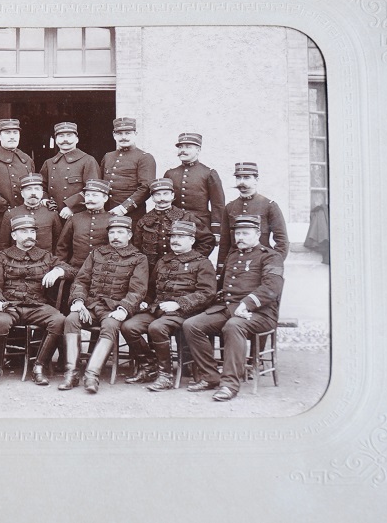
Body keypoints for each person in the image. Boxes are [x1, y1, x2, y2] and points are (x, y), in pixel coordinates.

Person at [184, 214, 284, 401]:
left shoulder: (271, 256)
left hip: (261, 313)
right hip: (230, 308)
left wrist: (247, 303)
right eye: (238, 233)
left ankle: (230, 385)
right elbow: (223, 287)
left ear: (258, 234)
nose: (240, 238)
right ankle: (211, 376)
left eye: (245, 233)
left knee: (234, 326)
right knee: (192, 325)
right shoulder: (233, 255)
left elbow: (272, 287)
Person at [120, 220, 216, 391]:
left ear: (192, 240)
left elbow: (207, 294)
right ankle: (149, 366)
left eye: (181, 237)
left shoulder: (202, 263)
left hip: (186, 313)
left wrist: (178, 304)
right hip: (158, 310)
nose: (175, 240)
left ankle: (165, 376)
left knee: (157, 328)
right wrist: (145, 301)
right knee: (129, 326)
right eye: (173, 237)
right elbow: (150, 287)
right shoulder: (163, 260)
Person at [0, 215, 76, 387]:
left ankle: (39, 367)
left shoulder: (45, 256)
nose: (29, 236)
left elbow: (71, 270)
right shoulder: (2, 257)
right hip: (10, 306)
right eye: (24, 232)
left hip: (37, 306)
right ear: (14, 236)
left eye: (32, 231)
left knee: (58, 320)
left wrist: (58, 271)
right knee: (0, 322)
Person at [60, 216, 149, 394]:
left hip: (115, 309)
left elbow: (138, 290)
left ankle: (92, 375)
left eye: (120, 232)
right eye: (112, 232)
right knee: (71, 319)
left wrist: (124, 309)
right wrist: (78, 301)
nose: (115, 236)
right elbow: (81, 280)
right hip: (91, 306)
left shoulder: (138, 258)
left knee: (109, 325)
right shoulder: (96, 253)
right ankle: (71, 373)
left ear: (129, 235)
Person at [216, 162, 289, 280]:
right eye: (238, 177)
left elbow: (282, 241)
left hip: (260, 264)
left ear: (256, 180)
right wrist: (221, 268)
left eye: (246, 177)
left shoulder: (269, 206)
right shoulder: (230, 207)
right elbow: (224, 243)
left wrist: (272, 263)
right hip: (234, 264)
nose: (241, 182)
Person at [133, 178, 215, 269]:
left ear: (172, 195)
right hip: (152, 272)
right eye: (157, 195)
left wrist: (192, 260)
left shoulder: (186, 217)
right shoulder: (144, 221)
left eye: (166, 194)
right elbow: (137, 247)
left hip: (182, 271)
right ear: (152, 198)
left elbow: (207, 240)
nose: (162, 198)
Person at [162, 132, 226, 242]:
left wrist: (216, 231)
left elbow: (218, 205)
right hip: (175, 226)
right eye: (180, 147)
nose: (183, 150)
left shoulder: (208, 173)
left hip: (200, 227)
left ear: (198, 150)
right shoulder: (170, 174)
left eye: (188, 147)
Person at [99, 117, 156, 226]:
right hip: (107, 213)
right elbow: (101, 183)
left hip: (131, 215)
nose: (123, 137)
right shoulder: (108, 156)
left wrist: (124, 208)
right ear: (114, 135)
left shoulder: (144, 158)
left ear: (135, 134)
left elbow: (146, 187)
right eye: (119, 133)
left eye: (128, 133)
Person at [38, 121, 101, 220]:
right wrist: (45, 200)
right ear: (56, 140)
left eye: (69, 135)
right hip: (52, 216)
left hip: (79, 216)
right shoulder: (49, 163)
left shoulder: (88, 161)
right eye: (61, 136)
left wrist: (72, 207)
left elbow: (94, 189)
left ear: (77, 139)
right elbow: (41, 187)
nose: (65, 140)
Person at [54, 179, 113, 270]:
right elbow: (62, 247)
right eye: (87, 195)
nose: (89, 198)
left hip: (103, 270)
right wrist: (60, 268)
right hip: (77, 269)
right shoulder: (75, 219)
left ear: (105, 198)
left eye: (94, 195)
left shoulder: (112, 219)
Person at [0, 173, 62, 253]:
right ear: (22, 193)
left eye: (37, 189)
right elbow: (3, 244)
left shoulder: (52, 214)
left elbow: (59, 243)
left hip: (45, 261)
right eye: (29, 189)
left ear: (42, 193)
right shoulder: (11, 214)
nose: (33, 193)